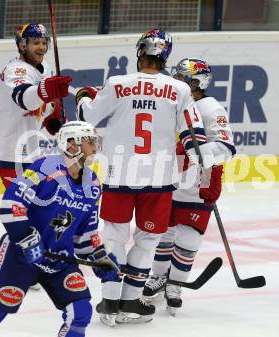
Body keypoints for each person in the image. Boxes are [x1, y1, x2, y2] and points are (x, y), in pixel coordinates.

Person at [75, 29, 212, 326]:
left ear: (140, 53)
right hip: (158, 179)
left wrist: (84, 96)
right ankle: (131, 302)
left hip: (120, 175)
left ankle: (110, 301)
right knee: (147, 240)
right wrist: (204, 170)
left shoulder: (116, 84)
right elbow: (195, 137)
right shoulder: (180, 89)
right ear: (165, 56)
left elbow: (87, 118)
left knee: (113, 237)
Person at [0, 121, 120, 337]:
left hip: (59, 261)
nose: (95, 147)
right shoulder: (44, 167)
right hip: (19, 256)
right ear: (72, 145)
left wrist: (100, 258)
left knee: (80, 314)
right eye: (90, 141)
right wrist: (28, 240)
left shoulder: (92, 184)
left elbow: (85, 234)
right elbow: (10, 207)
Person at [143, 58, 236, 315]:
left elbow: (225, 147)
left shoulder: (211, 109)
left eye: (182, 78)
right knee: (163, 234)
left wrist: (210, 170)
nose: (177, 81)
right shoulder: (171, 102)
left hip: (196, 185)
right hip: (168, 181)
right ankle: (159, 277)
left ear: (197, 82)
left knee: (189, 238)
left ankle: (176, 284)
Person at [0, 23, 72, 189]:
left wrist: (52, 110)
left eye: (44, 42)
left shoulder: (43, 67)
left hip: (29, 152)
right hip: (9, 152)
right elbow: (25, 99)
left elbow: (41, 101)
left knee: (38, 204)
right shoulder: (15, 70)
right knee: (29, 205)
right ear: (22, 45)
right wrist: (46, 91)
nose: (41, 47)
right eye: (35, 43)